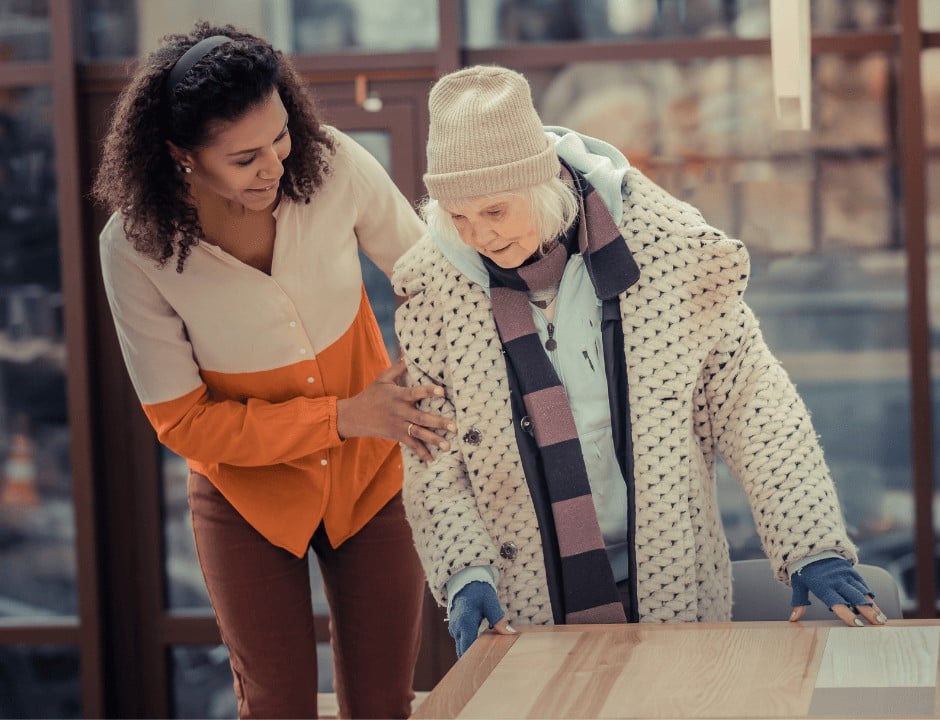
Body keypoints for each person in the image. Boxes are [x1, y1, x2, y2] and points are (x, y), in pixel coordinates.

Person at [392, 65, 888, 659]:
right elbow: (433, 454)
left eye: (496, 211)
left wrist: (811, 544)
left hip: (671, 571)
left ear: (542, 187)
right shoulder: (433, 294)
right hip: (521, 595)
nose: (478, 235)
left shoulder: (669, 251)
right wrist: (463, 571)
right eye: (459, 216)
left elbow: (753, 401)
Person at [93, 22, 453, 719]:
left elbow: (431, 278)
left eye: (281, 134)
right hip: (246, 503)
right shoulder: (133, 248)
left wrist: (433, 385)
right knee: (276, 703)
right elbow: (183, 421)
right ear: (181, 156)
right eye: (245, 156)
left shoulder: (335, 164)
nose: (275, 164)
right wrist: (343, 417)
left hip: (371, 481)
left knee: (382, 704)